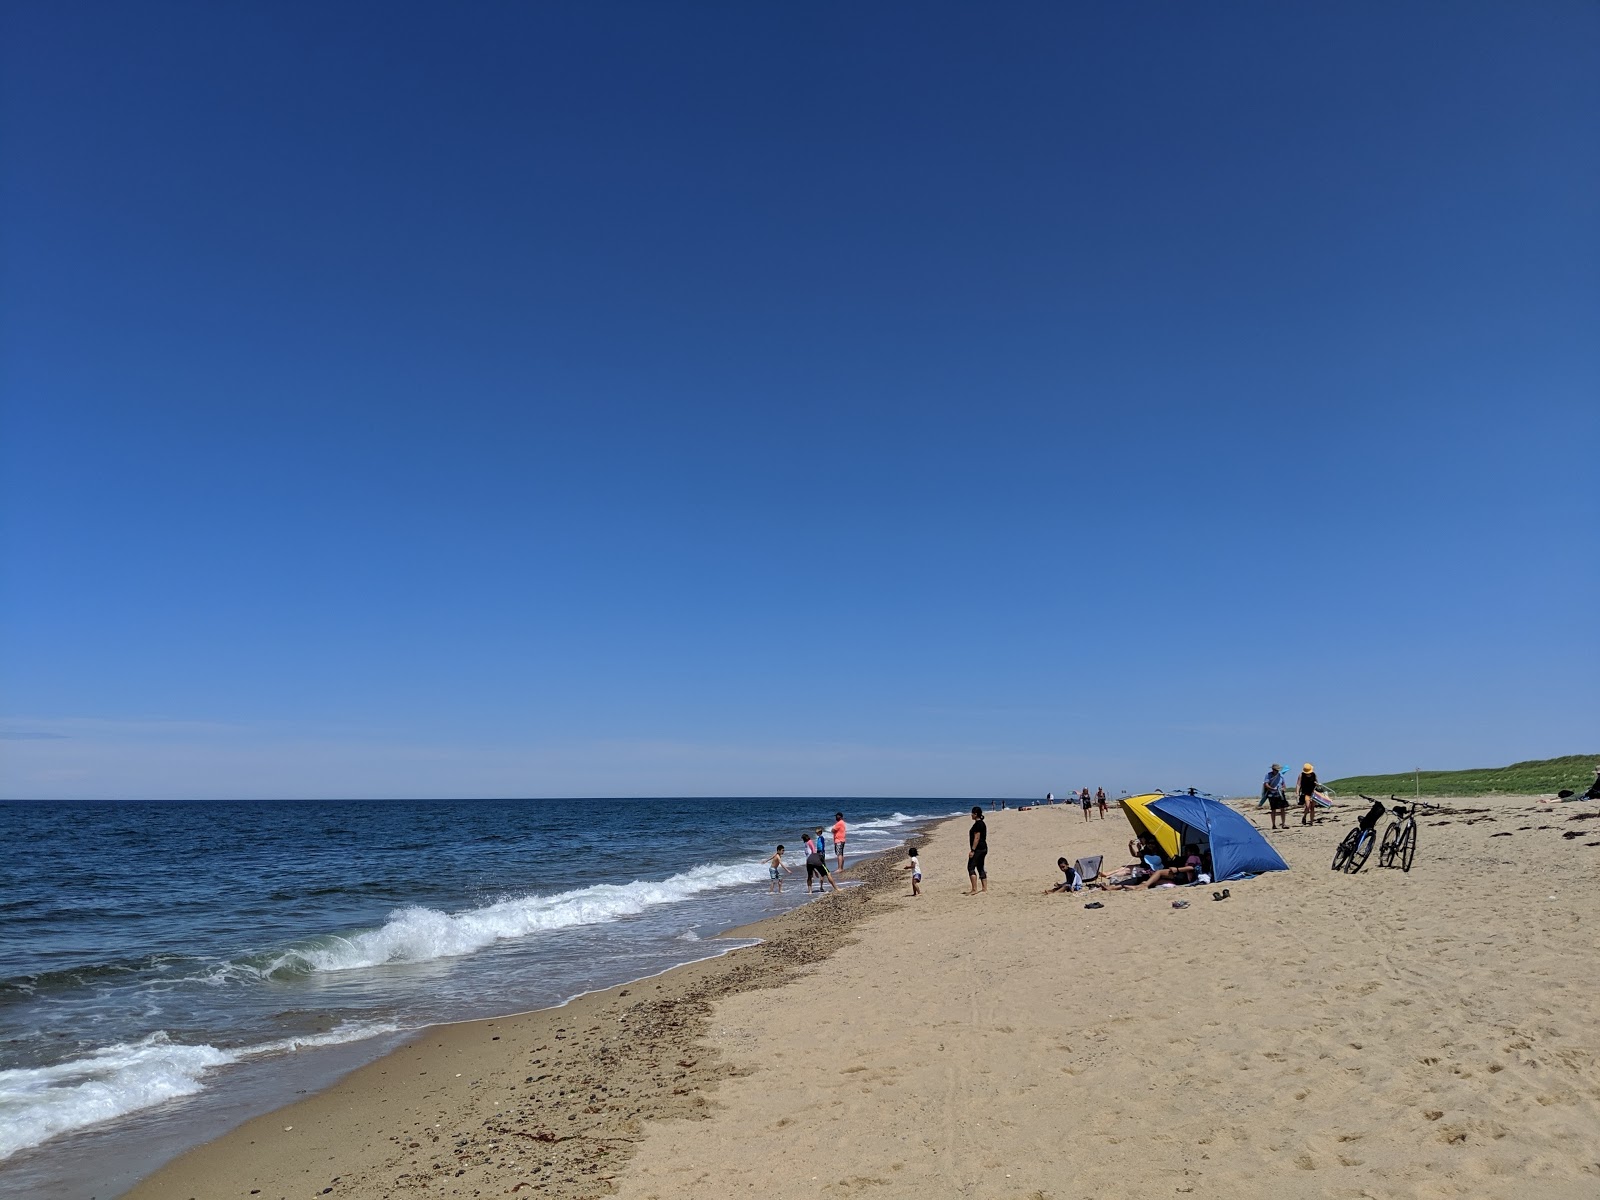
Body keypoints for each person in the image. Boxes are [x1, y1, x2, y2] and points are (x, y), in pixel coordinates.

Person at [1137, 845, 1205, 889]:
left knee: (1159, 872)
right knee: (1157, 880)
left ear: (1191, 852)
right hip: (1185, 878)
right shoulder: (1197, 857)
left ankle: (1145, 885)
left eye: (1186, 851)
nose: (1185, 852)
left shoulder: (1192, 857)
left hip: (1185, 877)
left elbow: (1191, 867)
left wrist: (1177, 869)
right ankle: (1143, 885)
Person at [966, 806, 988, 894]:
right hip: (984, 848)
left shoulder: (978, 824)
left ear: (976, 814)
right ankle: (984, 888)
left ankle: (974, 889)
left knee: (971, 867)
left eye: (972, 813)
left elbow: (977, 838)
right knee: (980, 867)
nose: (971, 815)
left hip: (979, 849)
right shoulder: (982, 823)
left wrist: (972, 850)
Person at [1264, 763, 1288, 829]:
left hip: (1280, 794)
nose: (1277, 771)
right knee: (1273, 809)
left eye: (1278, 770)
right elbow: (1266, 784)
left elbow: (1284, 784)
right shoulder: (1268, 775)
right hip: (1272, 795)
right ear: (1273, 769)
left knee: (1282, 809)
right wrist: (1272, 789)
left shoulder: (1281, 775)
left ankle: (1283, 824)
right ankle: (1273, 825)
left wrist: (1283, 789)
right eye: (1276, 770)